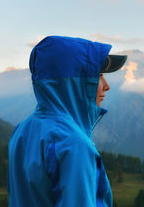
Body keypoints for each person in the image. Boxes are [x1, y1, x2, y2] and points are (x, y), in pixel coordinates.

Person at [8, 36, 127, 206]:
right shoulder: (72, 144)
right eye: (98, 76)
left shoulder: (21, 131)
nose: (106, 85)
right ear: (76, 83)